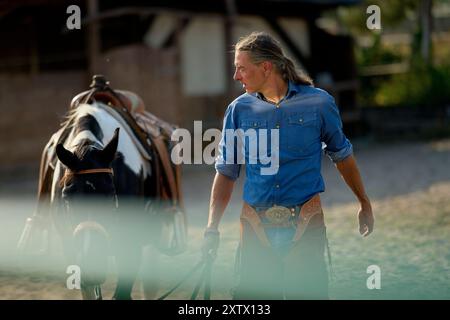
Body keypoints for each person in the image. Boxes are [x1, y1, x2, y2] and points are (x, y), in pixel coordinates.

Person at [201, 32, 374, 300]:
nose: (236, 76)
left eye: (241, 68)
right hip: (255, 227)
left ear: (266, 67)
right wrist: (212, 227)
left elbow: (343, 156)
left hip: (306, 225)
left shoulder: (319, 103)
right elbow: (226, 171)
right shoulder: (238, 110)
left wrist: (364, 202)